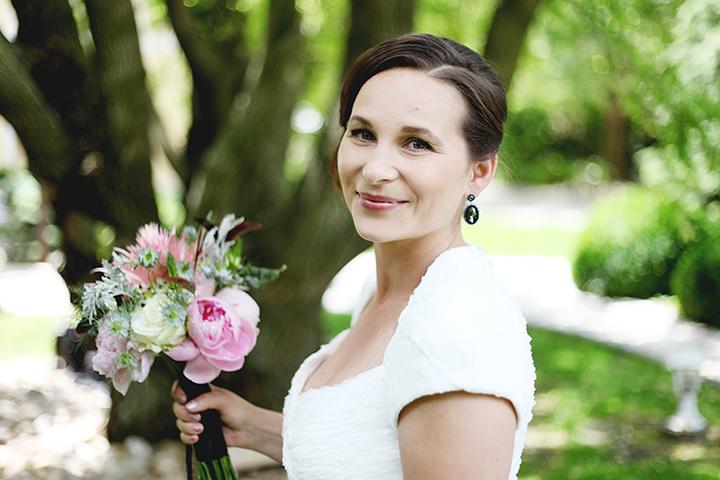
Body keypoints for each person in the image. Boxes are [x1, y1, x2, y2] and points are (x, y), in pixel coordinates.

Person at [171, 32, 536, 480]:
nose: (376, 169)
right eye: (363, 134)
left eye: (416, 143)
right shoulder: (386, 291)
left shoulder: (454, 328)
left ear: (479, 172)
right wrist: (257, 428)